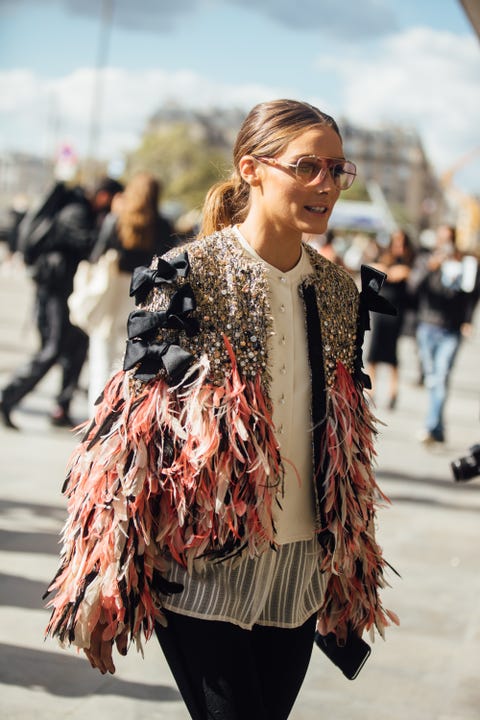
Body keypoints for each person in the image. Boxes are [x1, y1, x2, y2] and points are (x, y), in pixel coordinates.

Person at [44, 99, 398, 720]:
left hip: (299, 572)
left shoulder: (342, 293)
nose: (326, 184)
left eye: (336, 169)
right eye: (307, 166)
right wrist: (102, 573)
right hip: (201, 565)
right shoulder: (185, 279)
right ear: (252, 169)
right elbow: (128, 439)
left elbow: (345, 444)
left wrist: (349, 566)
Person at [0, 177, 123, 430]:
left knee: (77, 348)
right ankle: (8, 396)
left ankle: (61, 408)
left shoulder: (83, 211)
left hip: (67, 291)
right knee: (52, 349)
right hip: (55, 292)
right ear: (103, 196)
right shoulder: (76, 213)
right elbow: (91, 248)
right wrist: (111, 224)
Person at [86, 172, 175, 412]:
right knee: (128, 358)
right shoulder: (163, 225)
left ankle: (96, 414)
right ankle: (118, 412)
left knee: (101, 355)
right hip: (143, 295)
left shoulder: (117, 220)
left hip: (111, 290)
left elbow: (95, 255)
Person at [408, 224, 478, 444]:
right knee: (433, 379)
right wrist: (431, 267)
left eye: (449, 239)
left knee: (440, 377)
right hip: (427, 326)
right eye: (442, 239)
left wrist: (467, 320)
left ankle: (431, 426)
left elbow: (472, 295)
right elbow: (413, 286)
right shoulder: (425, 260)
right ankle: (437, 427)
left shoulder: (464, 264)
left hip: (451, 329)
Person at [366, 229, 416, 409]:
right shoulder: (383, 257)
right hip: (380, 310)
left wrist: (406, 273)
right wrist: (383, 269)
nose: (399, 246)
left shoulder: (411, 260)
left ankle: (393, 392)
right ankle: (371, 391)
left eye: (402, 242)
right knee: (374, 351)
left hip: (397, 311)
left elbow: (416, 282)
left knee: (392, 353)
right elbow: (368, 269)